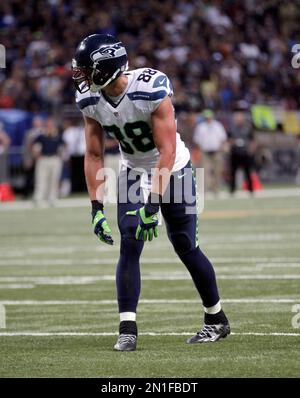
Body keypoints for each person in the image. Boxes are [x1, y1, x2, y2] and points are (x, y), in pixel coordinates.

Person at [72, 34, 230, 351]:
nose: (82, 77)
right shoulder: (90, 99)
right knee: (130, 241)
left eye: (87, 70)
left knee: (185, 245)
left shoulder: (150, 87)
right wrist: (95, 207)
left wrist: (152, 205)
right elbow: (93, 155)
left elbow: (167, 151)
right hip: (132, 168)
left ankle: (216, 319)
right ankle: (127, 328)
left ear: (104, 70)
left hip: (175, 167)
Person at [193, 110, 227, 195]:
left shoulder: (217, 125)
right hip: (205, 152)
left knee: (217, 170)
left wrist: (222, 148)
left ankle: (216, 189)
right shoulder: (201, 127)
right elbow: (197, 140)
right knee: (204, 171)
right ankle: (204, 190)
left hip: (216, 151)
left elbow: (223, 138)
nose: (208, 119)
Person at [32, 117, 65, 206]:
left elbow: (63, 146)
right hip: (44, 159)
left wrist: (60, 156)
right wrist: (37, 156)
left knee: (54, 179)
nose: (50, 126)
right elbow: (35, 146)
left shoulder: (57, 136)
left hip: (54, 159)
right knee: (41, 179)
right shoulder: (41, 136)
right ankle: (39, 198)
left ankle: (52, 198)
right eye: (48, 124)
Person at [228, 112, 256, 194]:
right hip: (235, 152)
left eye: (240, 119)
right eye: (237, 119)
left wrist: (251, 149)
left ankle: (251, 189)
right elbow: (228, 139)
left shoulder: (248, 128)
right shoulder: (232, 128)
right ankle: (232, 190)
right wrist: (234, 142)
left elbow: (253, 140)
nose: (238, 121)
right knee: (233, 172)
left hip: (245, 152)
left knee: (247, 172)